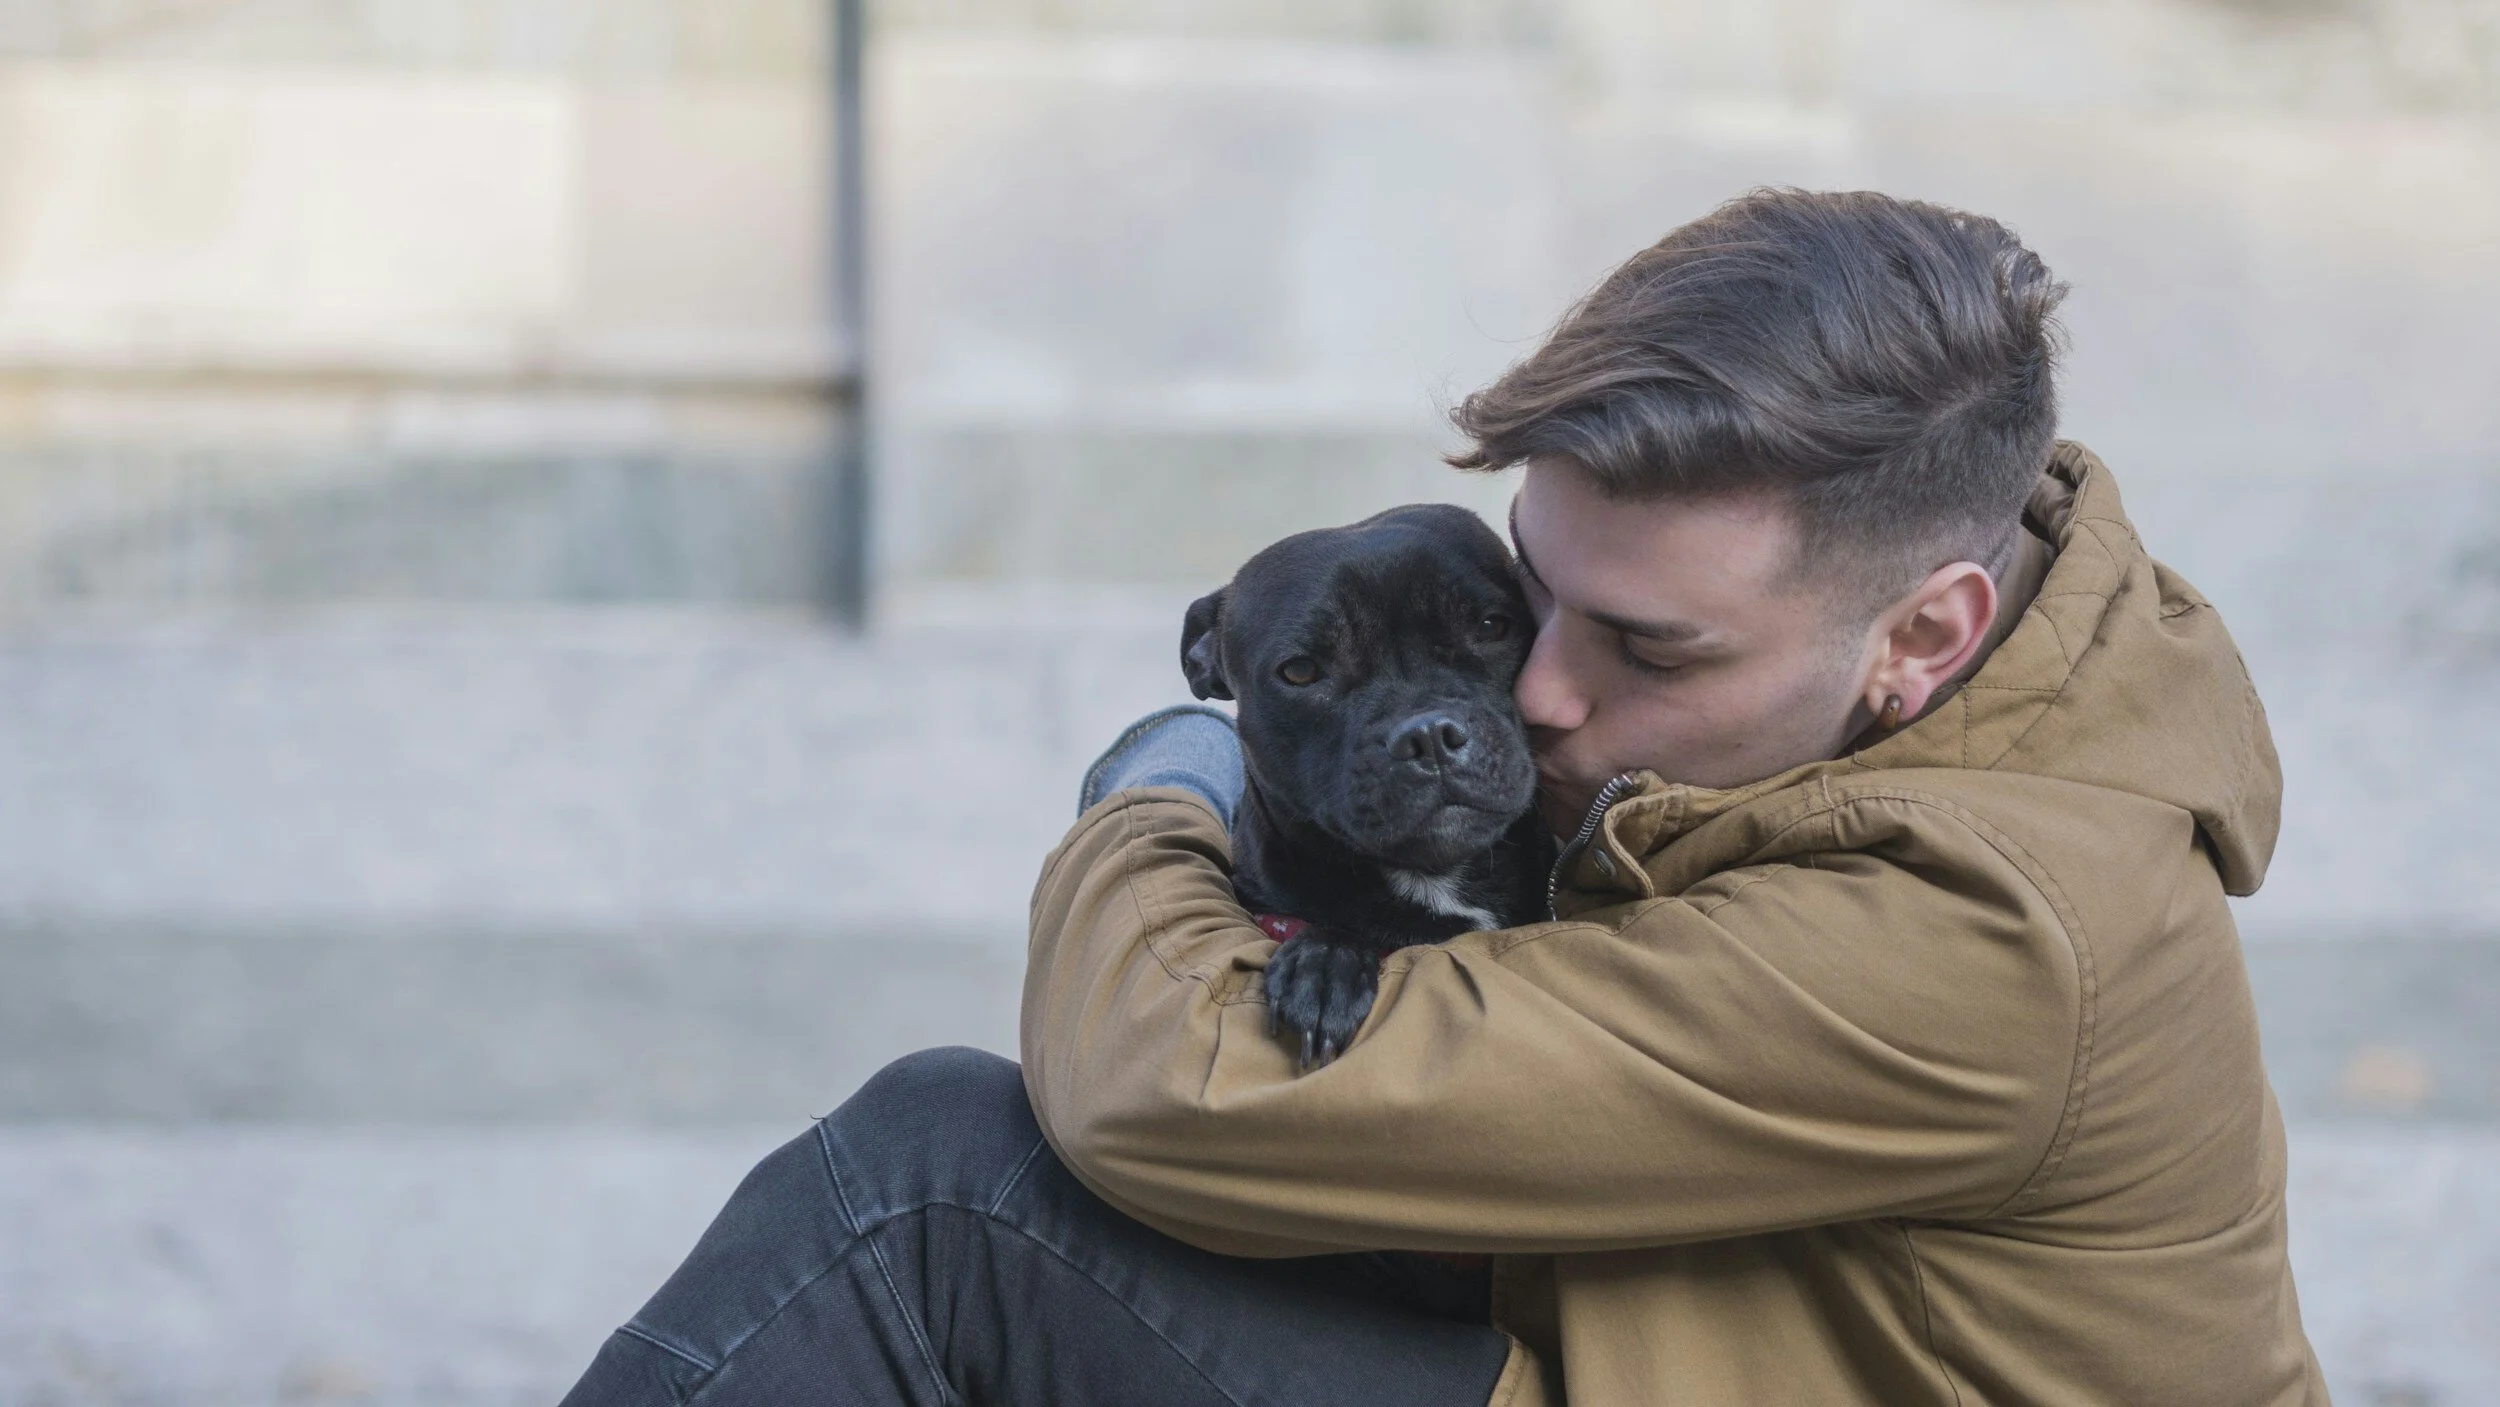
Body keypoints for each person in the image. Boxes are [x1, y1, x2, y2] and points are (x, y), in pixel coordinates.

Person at [560, 189, 2326, 1405]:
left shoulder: (1993, 934)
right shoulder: (1922, 670)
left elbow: (1170, 1090)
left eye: (1644, 645)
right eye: (1528, 604)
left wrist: (1166, 771)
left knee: (936, 1180)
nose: (1545, 697)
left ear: (1918, 634)